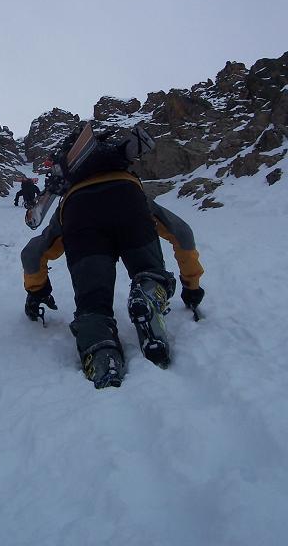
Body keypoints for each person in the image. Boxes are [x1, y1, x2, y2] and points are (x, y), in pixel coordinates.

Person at [20, 128, 205, 389]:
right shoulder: (130, 182)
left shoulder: (65, 204)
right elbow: (182, 233)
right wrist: (192, 285)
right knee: (149, 271)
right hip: (128, 200)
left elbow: (32, 252)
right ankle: (150, 292)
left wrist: (37, 292)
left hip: (79, 212)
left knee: (92, 303)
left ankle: (101, 355)